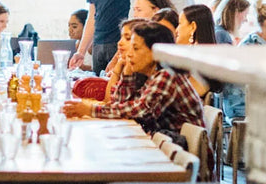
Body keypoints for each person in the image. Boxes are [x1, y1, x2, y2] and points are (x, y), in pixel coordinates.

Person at [64, 22, 205, 143]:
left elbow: (137, 111)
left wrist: (90, 110)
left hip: (179, 162)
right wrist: (126, 71)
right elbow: (117, 104)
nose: (129, 53)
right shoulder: (151, 75)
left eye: (136, 48)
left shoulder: (166, 76)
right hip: (164, 147)